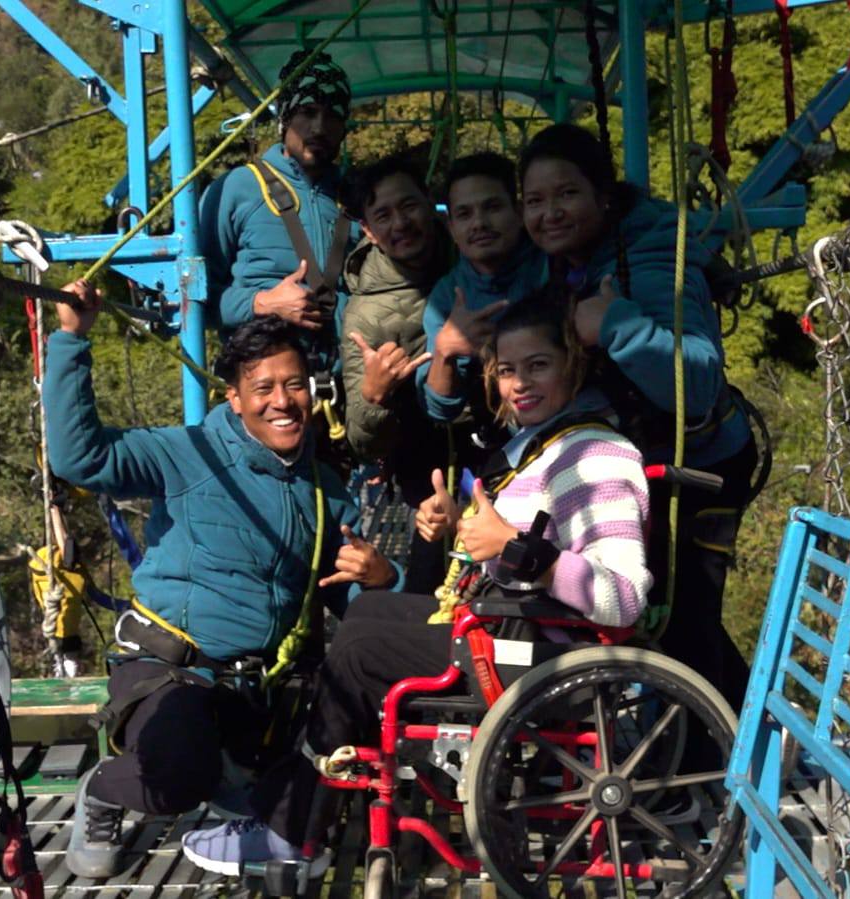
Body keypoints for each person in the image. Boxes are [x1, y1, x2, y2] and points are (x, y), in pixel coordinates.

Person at [178, 292, 653, 878]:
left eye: (538, 366)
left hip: (550, 659)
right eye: (507, 370)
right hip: (513, 632)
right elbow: (520, 543)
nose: (519, 385)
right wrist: (462, 526)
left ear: (572, 365)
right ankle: (305, 802)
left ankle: (293, 829)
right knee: (367, 613)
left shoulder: (595, 456)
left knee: (361, 651)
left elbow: (622, 596)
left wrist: (513, 547)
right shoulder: (541, 446)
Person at [43, 281, 400, 878]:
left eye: (295, 385)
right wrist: (71, 339)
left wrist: (384, 577)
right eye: (263, 389)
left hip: (258, 693)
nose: (283, 401)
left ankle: (236, 779)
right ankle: (106, 788)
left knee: (340, 756)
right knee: (178, 774)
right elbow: (81, 459)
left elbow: (349, 597)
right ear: (234, 398)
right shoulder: (187, 453)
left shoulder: (325, 491)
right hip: (172, 670)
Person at [517, 122, 759, 709]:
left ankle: (710, 749)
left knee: (681, 617)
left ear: (604, 196)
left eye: (566, 194)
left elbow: (695, 382)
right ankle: (746, 725)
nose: (550, 213)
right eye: (535, 200)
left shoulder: (647, 258)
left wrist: (616, 326)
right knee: (673, 618)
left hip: (699, 463)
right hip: (645, 455)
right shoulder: (568, 261)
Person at [337, 153, 454, 591]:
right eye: (383, 216)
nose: (400, 223)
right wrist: (374, 396)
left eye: (408, 206)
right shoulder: (365, 315)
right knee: (432, 596)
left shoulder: (474, 255)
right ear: (368, 231)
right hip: (427, 475)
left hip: (502, 454)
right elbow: (363, 441)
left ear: (429, 202)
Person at [200, 49, 357, 372]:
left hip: (346, 379)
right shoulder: (237, 188)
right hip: (266, 380)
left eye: (332, 116)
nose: (319, 127)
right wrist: (262, 303)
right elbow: (193, 300)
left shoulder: (356, 196)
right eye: (307, 112)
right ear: (285, 119)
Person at [418, 152, 548, 426]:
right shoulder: (447, 295)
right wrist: (445, 351)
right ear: (451, 227)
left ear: (519, 212)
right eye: (464, 214)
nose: (479, 223)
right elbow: (439, 410)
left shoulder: (553, 266)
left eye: (492, 207)